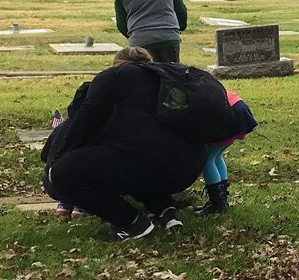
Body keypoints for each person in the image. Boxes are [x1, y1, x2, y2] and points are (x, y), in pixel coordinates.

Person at [42, 47, 218, 241]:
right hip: (190, 166)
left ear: (116, 65)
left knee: (64, 173)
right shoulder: (168, 78)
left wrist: (55, 163)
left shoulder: (114, 79)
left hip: (149, 162)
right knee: (133, 158)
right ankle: (165, 210)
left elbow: (84, 121)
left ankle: (132, 222)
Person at [196, 90, 259, 215]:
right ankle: (221, 200)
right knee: (217, 156)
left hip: (228, 112)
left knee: (207, 159)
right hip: (239, 107)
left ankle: (217, 204)